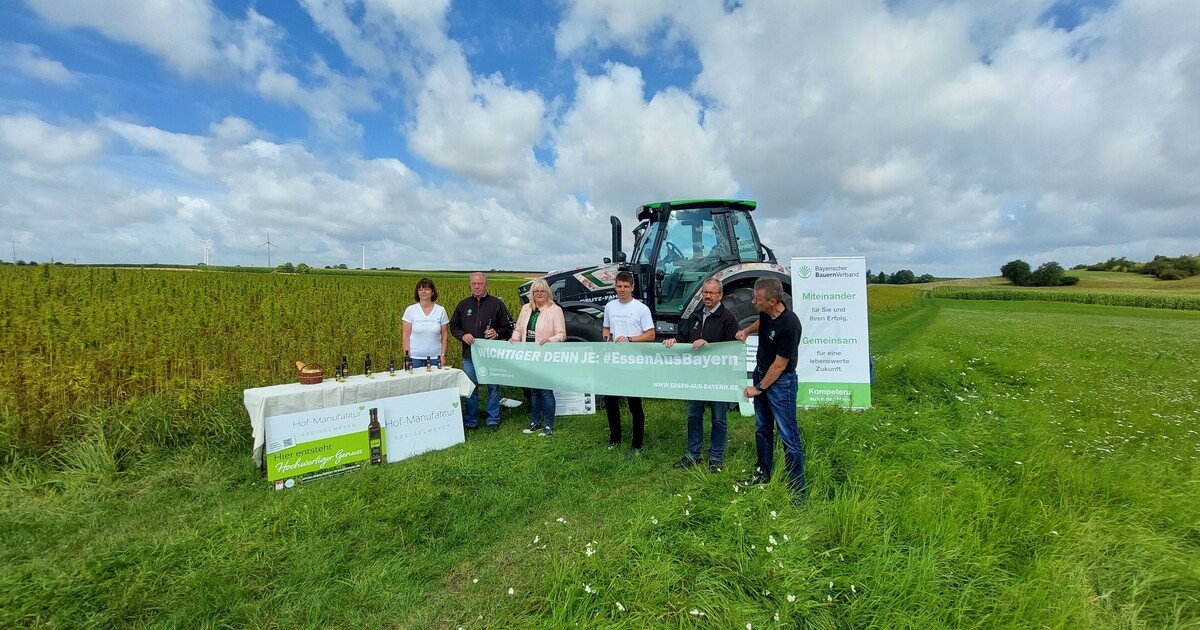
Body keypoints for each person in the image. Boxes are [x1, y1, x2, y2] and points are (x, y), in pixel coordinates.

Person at [735, 277, 806, 503]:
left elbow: (780, 365)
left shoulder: (790, 325)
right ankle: (762, 474)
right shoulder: (766, 314)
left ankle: (797, 490)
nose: (753, 301)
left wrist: (758, 388)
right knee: (762, 429)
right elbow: (760, 323)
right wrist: (746, 331)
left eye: (758, 298)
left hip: (781, 383)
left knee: (788, 435)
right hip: (762, 373)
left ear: (773, 301)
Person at [663, 278, 738, 472]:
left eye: (712, 293)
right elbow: (683, 338)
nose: (707, 296)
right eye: (705, 292)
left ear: (720, 295)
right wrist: (674, 341)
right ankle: (693, 454)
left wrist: (708, 346)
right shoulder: (695, 316)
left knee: (718, 419)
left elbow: (733, 348)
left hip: (718, 379)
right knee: (693, 415)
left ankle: (716, 458)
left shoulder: (728, 318)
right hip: (696, 377)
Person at [450, 272, 514, 432]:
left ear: (486, 285)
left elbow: (508, 328)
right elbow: (453, 326)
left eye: (480, 283)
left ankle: (493, 419)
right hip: (469, 355)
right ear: (470, 285)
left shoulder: (496, 304)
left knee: (493, 387)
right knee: (471, 387)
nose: (477, 286)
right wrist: (463, 335)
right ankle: (471, 420)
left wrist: (497, 333)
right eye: (474, 284)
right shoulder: (463, 305)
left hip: (491, 356)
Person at [602, 270, 655, 458]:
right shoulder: (610, 306)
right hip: (614, 362)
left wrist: (631, 340)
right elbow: (606, 327)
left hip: (634, 363)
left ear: (632, 287)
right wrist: (607, 337)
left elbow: (650, 335)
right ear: (615, 287)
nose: (622, 290)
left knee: (634, 405)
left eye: (626, 286)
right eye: (619, 286)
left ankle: (637, 444)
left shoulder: (641, 309)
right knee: (610, 402)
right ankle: (615, 439)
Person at [510, 279, 566, 436]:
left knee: (546, 391)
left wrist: (550, 340)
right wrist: (515, 337)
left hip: (545, 356)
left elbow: (561, 334)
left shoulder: (555, 310)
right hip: (529, 356)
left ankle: (549, 424)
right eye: (536, 291)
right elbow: (519, 328)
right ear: (532, 294)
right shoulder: (526, 309)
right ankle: (535, 421)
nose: (539, 293)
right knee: (534, 391)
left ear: (547, 293)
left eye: (542, 291)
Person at [402, 277, 448, 369]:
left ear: (432, 292)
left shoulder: (440, 310)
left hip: (435, 357)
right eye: (420, 289)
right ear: (417, 293)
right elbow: (406, 335)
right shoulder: (410, 310)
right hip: (415, 357)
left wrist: (443, 355)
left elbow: (444, 335)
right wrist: (407, 357)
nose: (423, 292)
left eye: (427, 289)